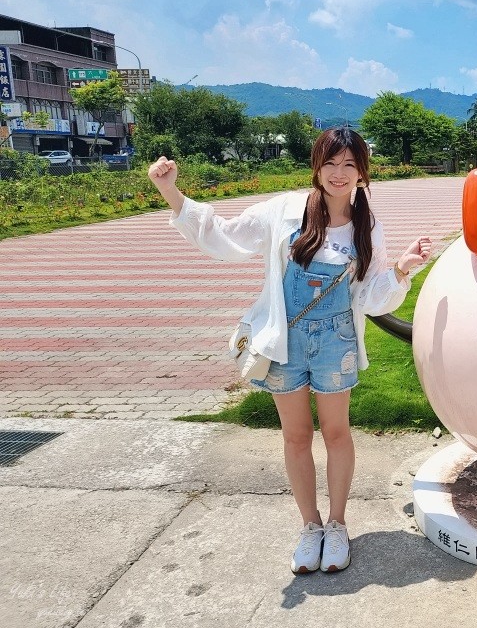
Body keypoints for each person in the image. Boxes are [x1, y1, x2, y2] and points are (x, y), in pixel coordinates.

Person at [147, 128, 431, 575]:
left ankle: (337, 525)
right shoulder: (282, 211)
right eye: (330, 163)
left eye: (349, 166)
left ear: (362, 173)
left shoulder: (367, 225)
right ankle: (310, 526)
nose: (339, 174)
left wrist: (400, 268)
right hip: (286, 341)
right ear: (317, 165)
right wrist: (172, 192)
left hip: (336, 342)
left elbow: (371, 299)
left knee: (337, 433)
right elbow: (225, 238)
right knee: (296, 436)